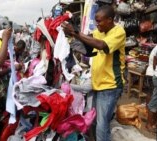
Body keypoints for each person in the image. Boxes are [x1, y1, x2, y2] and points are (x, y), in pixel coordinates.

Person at [62, 5, 126, 141]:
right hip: (98, 83)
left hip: (110, 86)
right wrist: (71, 36)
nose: (97, 24)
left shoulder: (118, 32)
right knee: (96, 120)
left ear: (110, 20)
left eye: (99, 21)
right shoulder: (99, 32)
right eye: (96, 21)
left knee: (102, 125)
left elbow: (101, 45)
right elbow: (89, 45)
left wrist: (75, 33)